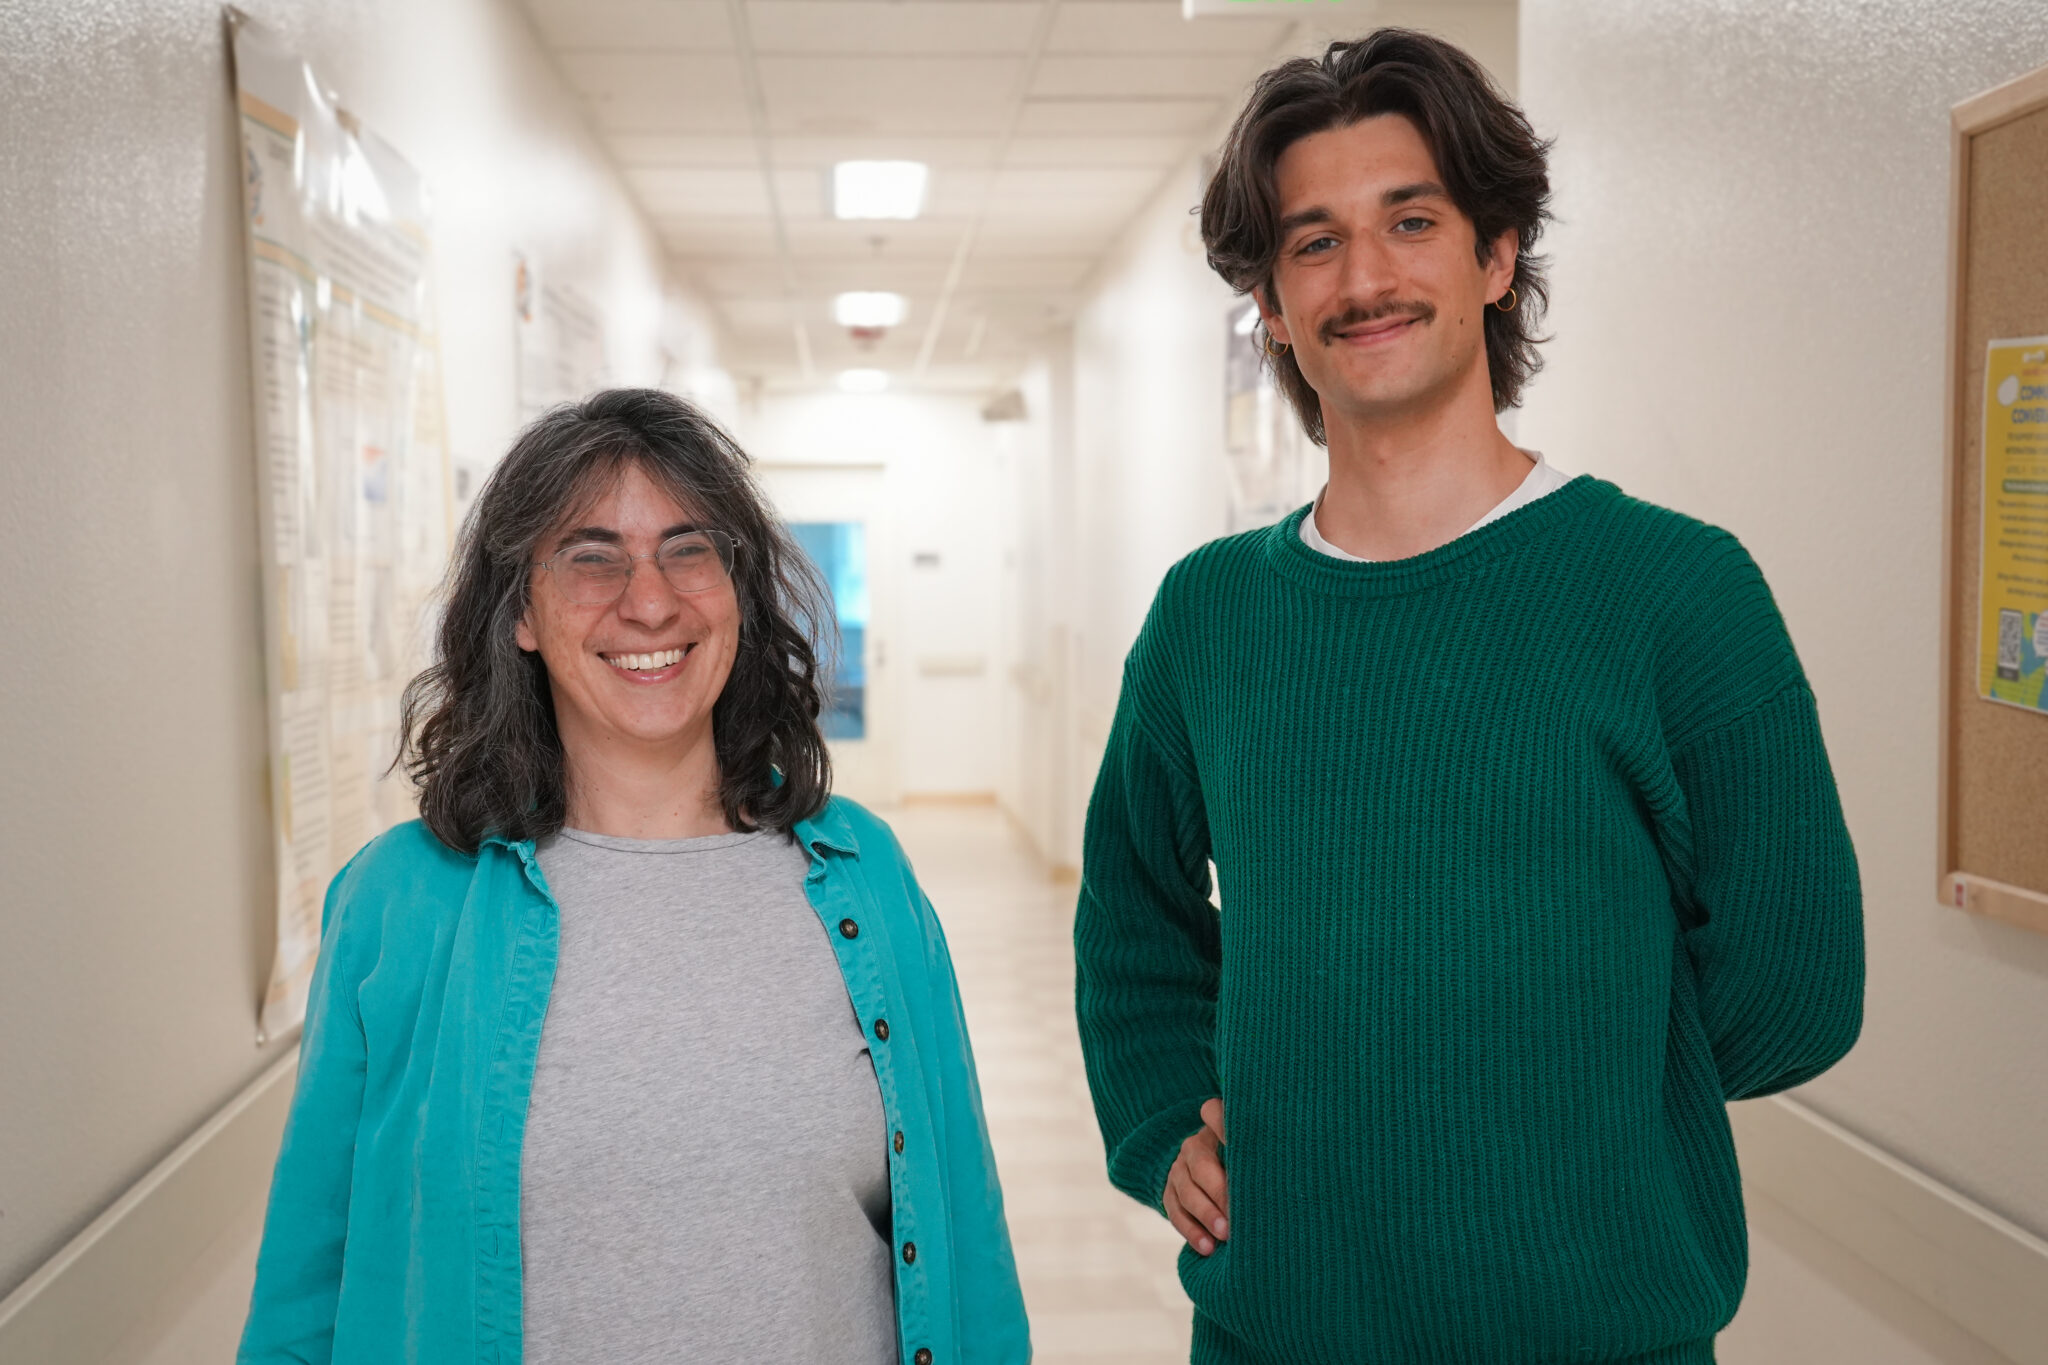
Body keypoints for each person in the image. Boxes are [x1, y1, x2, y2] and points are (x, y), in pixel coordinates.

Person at [1074, 29, 1863, 1365]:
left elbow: (1793, 983)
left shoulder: (1674, 591)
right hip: (1283, 1325)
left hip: (1598, 1330)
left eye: (1412, 222)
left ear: (1495, 259)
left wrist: (1562, 1083)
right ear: (1268, 302)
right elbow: (1133, 908)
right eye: (1313, 242)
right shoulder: (1210, 616)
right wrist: (1161, 1113)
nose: (1364, 277)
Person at [238, 388, 1029, 1365]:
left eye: (689, 548)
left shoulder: (864, 877)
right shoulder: (401, 904)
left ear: (738, 588)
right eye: (590, 557)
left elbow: (966, 1243)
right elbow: (306, 1289)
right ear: (520, 611)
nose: (648, 600)